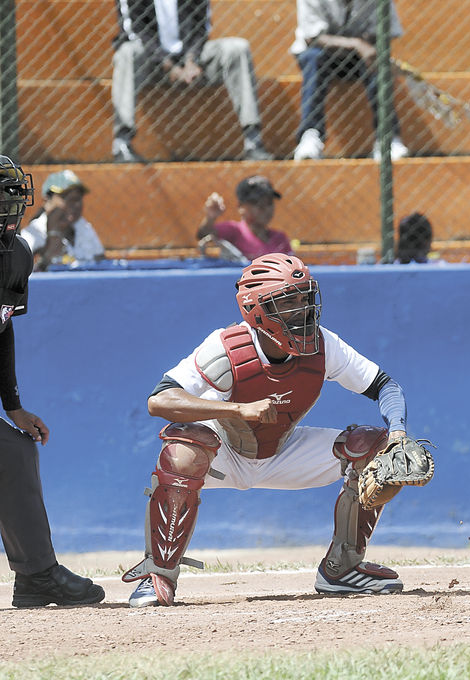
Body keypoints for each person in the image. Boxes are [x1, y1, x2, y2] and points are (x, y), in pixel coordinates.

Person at [122, 253, 423, 606]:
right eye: (288, 301)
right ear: (257, 309)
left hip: (284, 451)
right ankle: (158, 574)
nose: (302, 309)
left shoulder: (324, 345)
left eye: (304, 297)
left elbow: (384, 385)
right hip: (225, 456)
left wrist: (399, 433)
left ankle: (342, 570)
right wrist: (237, 409)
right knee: (184, 448)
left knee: (375, 447)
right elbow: (160, 401)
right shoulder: (225, 347)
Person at [0, 155, 105, 608]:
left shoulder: (17, 253)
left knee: (15, 451)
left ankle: (37, 576)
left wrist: (13, 404)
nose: (7, 201)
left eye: (10, 192)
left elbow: (2, 326)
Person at [111, 0, 272, 162]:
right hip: (152, 62)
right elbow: (136, 32)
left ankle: (253, 140)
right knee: (126, 53)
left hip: (191, 60)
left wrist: (190, 61)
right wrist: (169, 65)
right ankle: (122, 143)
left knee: (238, 49)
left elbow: (201, 26)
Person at [291, 0, 408, 161]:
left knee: (377, 62)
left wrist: (371, 47)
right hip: (321, 54)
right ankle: (311, 134)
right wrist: (356, 43)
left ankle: (386, 137)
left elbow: (386, 32)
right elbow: (313, 38)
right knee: (313, 57)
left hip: (361, 57)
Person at [19, 170, 105, 271]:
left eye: (78, 198)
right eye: (65, 197)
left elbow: (101, 263)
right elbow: (22, 278)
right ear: (47, 201)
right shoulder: (33, 232)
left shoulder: (83, 226)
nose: (76, 204)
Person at [197, 176, 293, 262]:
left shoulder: (280, 238)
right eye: (256, 202)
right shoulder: (234, 231)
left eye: (269, 203)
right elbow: (204, 234)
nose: (264, 208)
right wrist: (210, 218)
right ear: (240, 207)